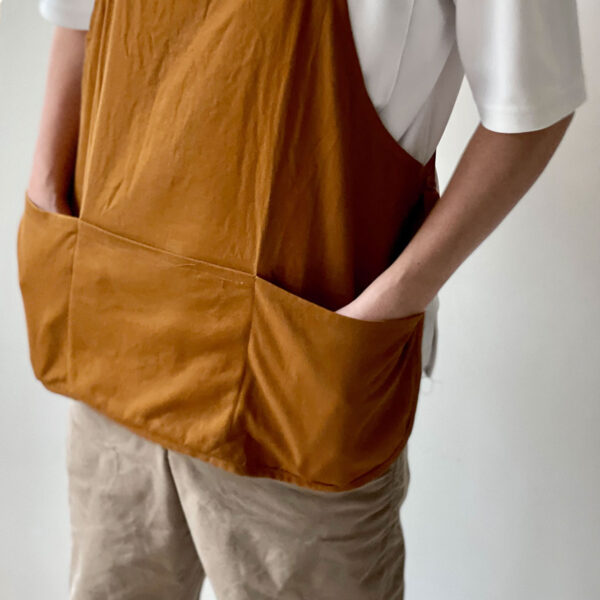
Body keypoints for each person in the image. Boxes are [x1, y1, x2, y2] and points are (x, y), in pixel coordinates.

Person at [20, 1, 586, 598]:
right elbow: (77, 18)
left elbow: (533, 108)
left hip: (293, 382)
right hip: (113, 339)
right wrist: (44, 192)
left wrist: (387, 308)